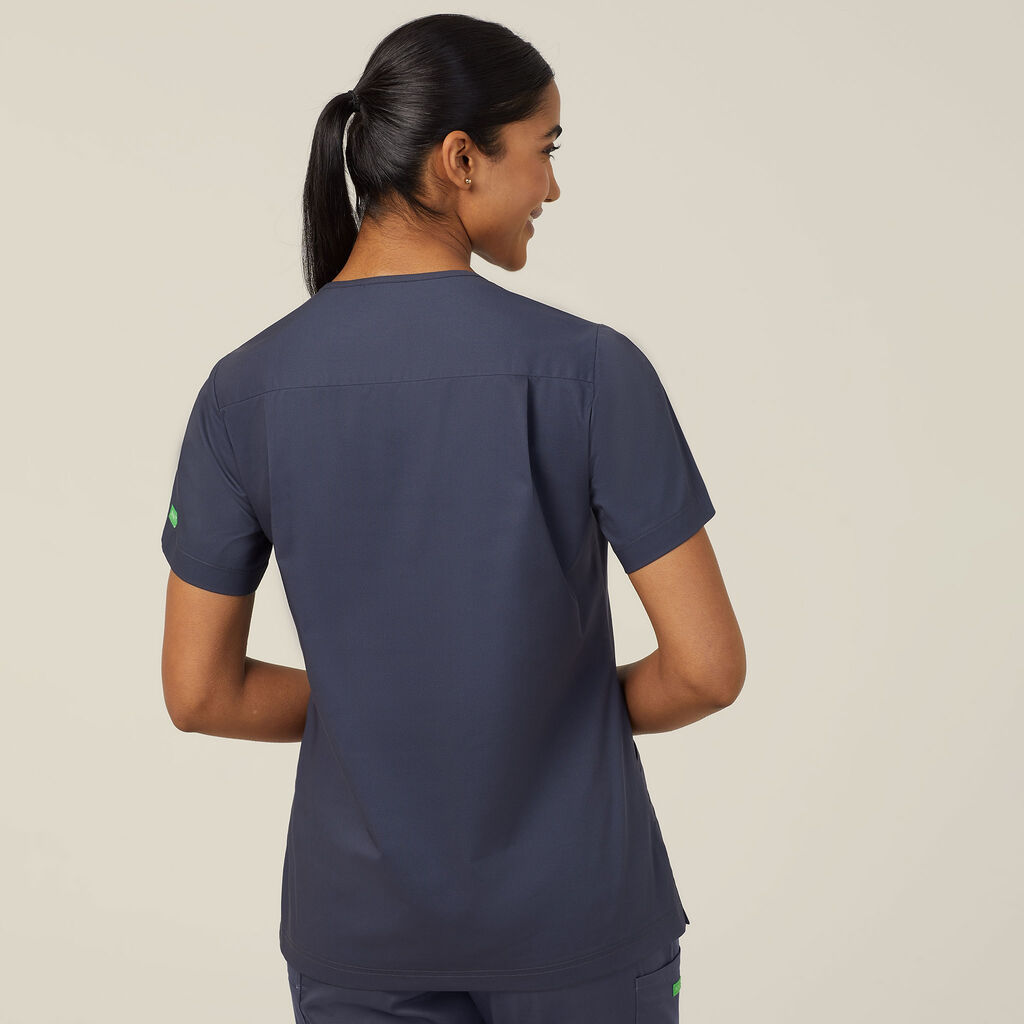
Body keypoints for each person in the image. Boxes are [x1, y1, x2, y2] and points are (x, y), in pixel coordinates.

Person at [159, 12, 745, 1024]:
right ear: (461, 159)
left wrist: (381, 709)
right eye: (545, 149)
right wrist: (537, 714)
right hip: (576, 919)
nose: (552, 187)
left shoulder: (242, 392)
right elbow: (706, 668)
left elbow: (199, 691)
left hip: (360, 937)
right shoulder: (590, 370)